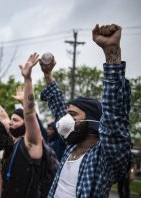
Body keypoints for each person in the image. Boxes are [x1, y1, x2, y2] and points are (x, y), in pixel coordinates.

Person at [40, 24, 132, 197]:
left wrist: (111, 51)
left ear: (92, 121)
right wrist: (47, 75)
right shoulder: (71, 146)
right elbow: (59, 104)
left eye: (72, 115)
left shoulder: (105, 156)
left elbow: (114, 114)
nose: (65, 119)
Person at [0, 76, 58, 197]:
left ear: (26, 124)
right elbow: (2, 117)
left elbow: (30, 114)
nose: (11, 123)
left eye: (15, 120)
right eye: (11, 120)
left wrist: (27, 84)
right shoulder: (15, 139)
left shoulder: (32, 142)